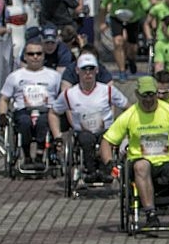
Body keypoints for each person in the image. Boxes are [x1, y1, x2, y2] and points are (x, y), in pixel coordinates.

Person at [100, 76, 169, 229]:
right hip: (141, 163)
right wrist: (109, 163)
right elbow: (107, 141)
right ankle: (150, 213)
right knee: (141, 166)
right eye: (144, 95)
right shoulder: (130, 115)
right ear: (137, 94)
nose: (148, 99)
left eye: (151, 95)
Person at [49, 52, 128, 185]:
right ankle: (90, 171)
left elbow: (128, 107)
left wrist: (124, 128)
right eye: (84, 69)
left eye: (91, 69)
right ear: (77, 71)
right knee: (86, 138)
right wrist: (57, 136)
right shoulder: (69, 94)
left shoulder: (107, 90)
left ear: (97, 70)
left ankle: (105, 170)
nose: (88, 73)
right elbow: (53, 112)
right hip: (82, 132)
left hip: (106, 131)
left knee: (106, 138)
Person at [0, 39, 63, 169]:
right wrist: (2, 115)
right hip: (23, 110)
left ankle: (40, 155)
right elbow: (4, 99)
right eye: (31, 54)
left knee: (44, 121)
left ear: (44, 56)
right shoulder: (15, 76)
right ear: (25, 56)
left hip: (46, 110)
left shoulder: (54, 76)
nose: (35, 57)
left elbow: (62, 97)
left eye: (39, 53)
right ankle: (26, 156)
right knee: (24, 122)